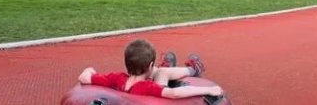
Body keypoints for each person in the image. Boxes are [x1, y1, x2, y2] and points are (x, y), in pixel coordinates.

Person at [77, 39, 222, 99]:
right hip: (156, 96)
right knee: (162, 73)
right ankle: (192, 69)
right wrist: (209, 90)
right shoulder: (146, 87)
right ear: (150, 65)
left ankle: (170, 69)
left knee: (161, 72)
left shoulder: (116, 78)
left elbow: (83, 77)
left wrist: (90, 69)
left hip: (136, 81)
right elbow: (175, 93)